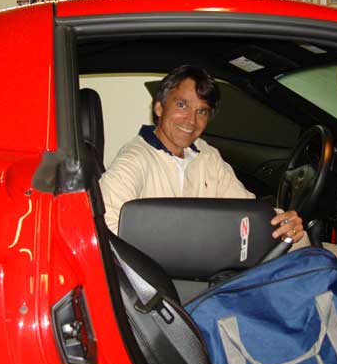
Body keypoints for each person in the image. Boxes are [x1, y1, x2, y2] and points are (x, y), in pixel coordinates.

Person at [99, 64, 305, 245]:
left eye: (202, 111)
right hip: (165, 281)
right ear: (159, 107)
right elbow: (104, 226)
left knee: (304, 243)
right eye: (182, 105)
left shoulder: (207, 155)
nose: (191, 120)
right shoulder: (135, 159)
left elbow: (246, 210)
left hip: (214, 267)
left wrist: (282, 220)